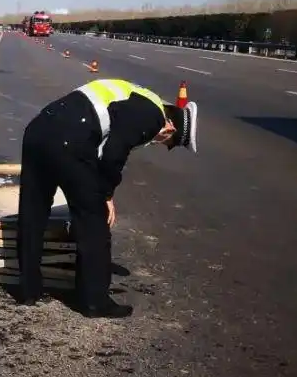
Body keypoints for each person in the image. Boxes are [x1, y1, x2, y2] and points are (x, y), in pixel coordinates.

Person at [16, 78, 198, 318]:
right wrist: (106, 195)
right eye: (164, 142)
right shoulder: (152, 115)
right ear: (169, 129)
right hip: (70, 140)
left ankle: (29, 290)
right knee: (93, 223)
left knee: (33, 211)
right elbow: (113, 154)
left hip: (38, 129)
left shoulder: (136, 94)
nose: (156, 142)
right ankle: (94, 302)